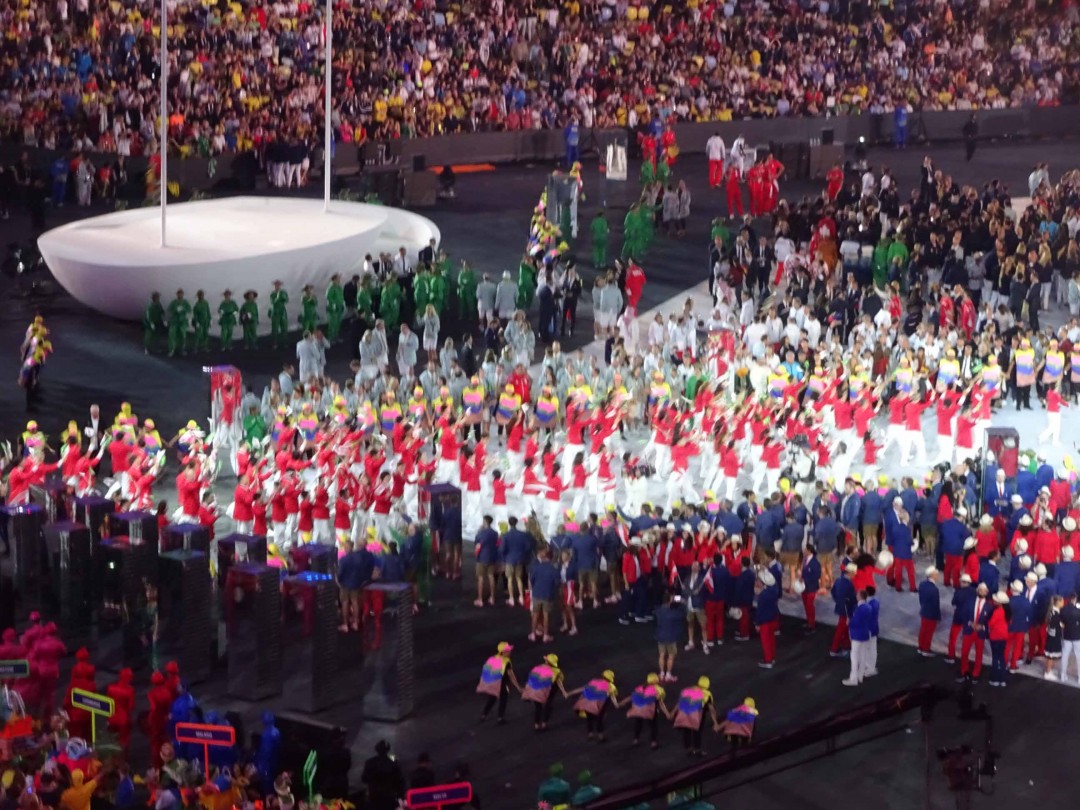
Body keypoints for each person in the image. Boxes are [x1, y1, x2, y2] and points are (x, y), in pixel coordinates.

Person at [521, 653, 569, 731]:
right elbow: (559, 682)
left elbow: (530, 680)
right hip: (548, 691)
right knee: (549, 705)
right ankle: (544, 724)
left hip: (534, 691)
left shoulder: (537, 668)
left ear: (546, 660)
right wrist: (563, 691)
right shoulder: (556, 671)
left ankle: (536, 725)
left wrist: (527, 693)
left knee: (538, 707)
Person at [672, 675, 719, 756]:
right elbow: (711, 709)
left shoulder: (687, 690)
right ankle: (697, 750)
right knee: (697, 732)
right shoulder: (707, 694)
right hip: (697, 715)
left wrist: (672, 713)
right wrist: (715, 723)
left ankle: (689, 749)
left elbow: (679, 703)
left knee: (686, 731)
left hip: (685, 714)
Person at [622, 672, 671, 749]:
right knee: (653, 726)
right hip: (649, 710)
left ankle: (635, 740)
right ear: (656, 681)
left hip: (638, 709)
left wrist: (621, 703)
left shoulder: (639, 687)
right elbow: (661, 703)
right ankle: (653, 743)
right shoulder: (658, 689)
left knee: (638, 724)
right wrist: (667, 713)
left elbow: (630, 697)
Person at [476, 641, 521, 723]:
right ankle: (500, 717)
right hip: (500, 684)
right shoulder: (506, 661)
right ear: (503, 652)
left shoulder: (491, 658)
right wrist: (518, 687)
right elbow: (511, 676)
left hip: (489, 683)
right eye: (508, 650)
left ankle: (484, 715)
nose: (510, 652)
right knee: (503, 698)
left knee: (492, 698)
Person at [361, 740, 406, 810]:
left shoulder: (370, 763)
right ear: (388, 750)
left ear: (377, 749)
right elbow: (399, 782)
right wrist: (400, 796)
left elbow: (364, 778)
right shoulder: (393, 764)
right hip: (389, 798)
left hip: (374, 797)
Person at [843, 589, 871, 686]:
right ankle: (860, 676)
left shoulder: (860, 609)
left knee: (854, 657)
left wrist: (849, 622)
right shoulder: (868, 607)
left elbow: (855, 623)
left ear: (860, 597)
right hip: (865, 634)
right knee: (862, 656)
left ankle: (854, 679)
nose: (856, 596)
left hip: (857, 635)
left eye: (857, 595)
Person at [655, 591, 685, 682]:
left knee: (661, 655)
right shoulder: (673, 613)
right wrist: (682, 602)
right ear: (670, 601)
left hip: (660, 636)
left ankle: (661, 673)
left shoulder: (658, 610)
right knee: (671, 656)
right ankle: (668, 674)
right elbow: (683, 613)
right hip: (671, 637)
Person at [917, 566, 941, 656]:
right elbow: (936, 605)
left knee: (923, 630)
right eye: (936, 574)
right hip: (931, 614)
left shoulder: (922, 584)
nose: (938, 575)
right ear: (932, 575)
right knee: (929, 632)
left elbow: (921, 599)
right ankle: (926, 650)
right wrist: (938, 616)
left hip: (924, 611)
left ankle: (920, 647)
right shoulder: (934, 589)